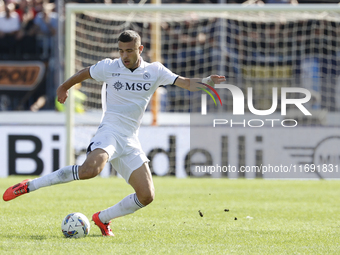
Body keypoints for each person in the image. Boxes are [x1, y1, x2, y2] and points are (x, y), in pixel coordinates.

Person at [3, 30, 225, 236]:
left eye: (129, 50)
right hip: (109, 130)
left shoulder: (154, 70)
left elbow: (185, 83)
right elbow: (84, 73)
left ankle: (103, 218)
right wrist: (64, 87)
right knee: (90, 169)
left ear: (140, 49)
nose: (124, 55)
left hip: (129, 139)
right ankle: (30, 185)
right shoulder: (110, 67)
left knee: (147, 196)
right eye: (121, 50)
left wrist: (206, 82)